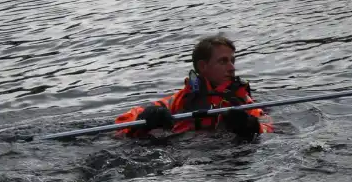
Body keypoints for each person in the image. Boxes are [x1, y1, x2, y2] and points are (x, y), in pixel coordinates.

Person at [114, 35, 275, 140]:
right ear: (203, 66)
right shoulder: (179, 100)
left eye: (233, 61)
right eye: (223, 61)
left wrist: (251, 126)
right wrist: (144, 118)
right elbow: (120, 126)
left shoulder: (243, 101)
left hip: (230, 158)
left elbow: (268, 127)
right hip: (183, 158)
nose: (232, 68)